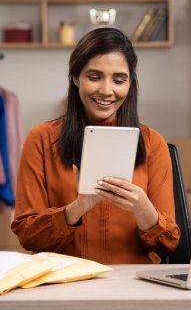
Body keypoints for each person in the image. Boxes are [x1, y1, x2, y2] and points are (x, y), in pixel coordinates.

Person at [11, 27, 180, 264]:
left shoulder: (153, 143)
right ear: (75, 77)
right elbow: (28, 236)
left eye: (119, 79)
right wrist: (77, 209)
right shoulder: (40, 139)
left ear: (130, 83)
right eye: (94, 76)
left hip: (133, 285)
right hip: (66, 283)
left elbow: (168, 244)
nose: (106, 90)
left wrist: (143, 210)